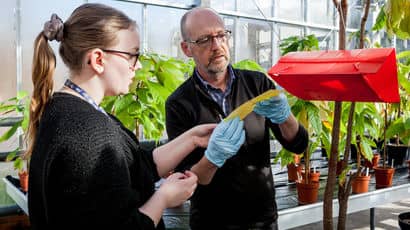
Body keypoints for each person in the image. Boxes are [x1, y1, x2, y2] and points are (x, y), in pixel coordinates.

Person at [27, 4, 245, 230]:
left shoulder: (67, 110)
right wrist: (163, 198)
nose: (138, 65)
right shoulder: (88, 133)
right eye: (132, 55)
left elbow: (136, 165)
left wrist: (192, 139)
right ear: (98, 60)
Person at [165, 7, 309, 229]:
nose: (217, 46)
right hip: (212, 222)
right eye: (204, 39)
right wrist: (212, 159)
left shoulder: (257, 84)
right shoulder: (179, 104)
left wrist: (285, 116)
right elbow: (189, 180)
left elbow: (298, 144)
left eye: (221, 35)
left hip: (263, 220)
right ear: (187, 49)